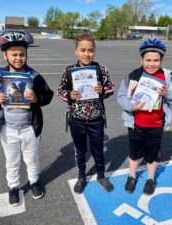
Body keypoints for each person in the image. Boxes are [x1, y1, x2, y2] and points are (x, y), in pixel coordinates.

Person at [0, 33, 54, 206]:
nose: (18, 58)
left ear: (26, 55)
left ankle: (34, 181)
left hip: (30, 127)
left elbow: (48, 95)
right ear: (4, 55)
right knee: (12, 160)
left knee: (32, 158)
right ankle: (13, 187)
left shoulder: (34, 76)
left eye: (21, 54)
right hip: (8, 128)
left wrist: (37, 98)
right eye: (13, 54)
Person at [117, 37, 172, 195]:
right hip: (136, 124)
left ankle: (150, 178)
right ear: (142, 59)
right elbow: (121, 96)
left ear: (161, 60)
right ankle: (132, 176)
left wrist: (167, 93)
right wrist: (132, 106)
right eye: (148, 60)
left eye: (156, 60)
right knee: (134, 153)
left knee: (152, 155)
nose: (151, 64)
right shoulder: (133, 76)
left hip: (156, 125)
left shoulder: (168, 77)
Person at [57, 33, 115, 194]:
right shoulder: (69, 71)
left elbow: (111, 88)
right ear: (76, 51)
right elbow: (60, 91)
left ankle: (101, 175)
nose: (86, 54)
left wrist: (103, 90)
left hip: (96, 118)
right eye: (83, 50)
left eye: (90, 50)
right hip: (77, 119)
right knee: (80, 150)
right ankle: (81, 176)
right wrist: (69, 95)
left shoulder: (101, 70)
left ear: (94, 51)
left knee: (98, 149)